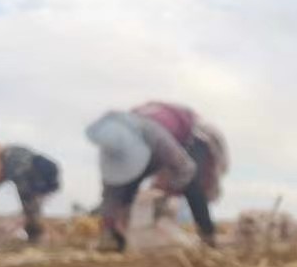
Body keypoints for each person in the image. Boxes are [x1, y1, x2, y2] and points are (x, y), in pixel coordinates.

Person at [85, 102, 229, 252]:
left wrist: (164, 190)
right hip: (153, 150)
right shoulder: (111, 151)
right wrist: (108, 228)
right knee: (124, 195)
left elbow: (186, 169)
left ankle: (208, 237)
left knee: (192, 186)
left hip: (187, 139)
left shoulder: (156, 137)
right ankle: (120, 242)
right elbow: (110, 196)